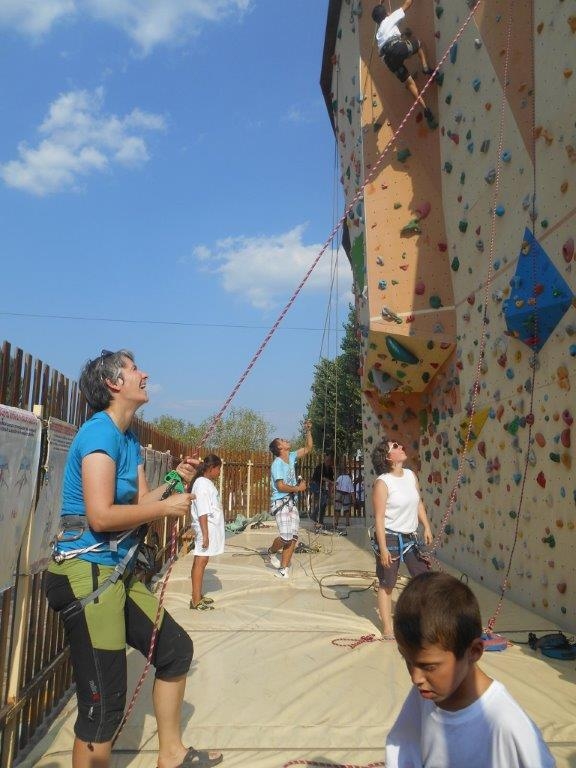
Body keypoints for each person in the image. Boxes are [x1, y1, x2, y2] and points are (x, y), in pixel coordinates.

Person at [45, 349, 222, 768]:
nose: (145, 373)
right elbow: (101, 515)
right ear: (113, 384)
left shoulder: (127, 440)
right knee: (104, 708)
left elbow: (142, 501)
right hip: (86, 574)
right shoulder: (99, 434)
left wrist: (178, 479)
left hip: (113, 574)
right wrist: (163, 509)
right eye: (134, 369)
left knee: (175, 650)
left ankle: (172, 755)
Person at [386, 571, 556, 767]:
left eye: (429, 666)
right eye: (407, 660)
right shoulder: (427, 693)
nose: (415, 678)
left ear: (474, 651)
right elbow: (405, 748)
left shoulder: (506, 725)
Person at [371, 437, 433, 639]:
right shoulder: (383, 483)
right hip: (389, 538)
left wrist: (426, 526)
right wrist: (383, 549)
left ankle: (425, 619)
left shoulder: (410, 475)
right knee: (387, 583)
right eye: (395, 446)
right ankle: (388, 626)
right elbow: (379, 518)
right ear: (388, 457)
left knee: (423, 579)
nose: (400, 446)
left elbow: (418, 503)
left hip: (410, 538)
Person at [372, 0, 436, 127]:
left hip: (388, 61)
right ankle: (425, 67)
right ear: (386, 14)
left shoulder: (379, 34)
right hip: (396, 48)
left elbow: (393, 38)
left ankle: (426, 109)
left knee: (409, 83)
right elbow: (407, 4)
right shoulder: (389, 19)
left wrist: (404, 35)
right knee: (419, 44)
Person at [267, 421, 313, 578]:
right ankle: (271, 551)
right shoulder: (277, 464)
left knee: (293, 537)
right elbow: (280, 486)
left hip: (291, 502)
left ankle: (283, 569)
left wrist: (308, 431)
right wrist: (298, 488)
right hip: (281, 502)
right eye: (282, 440)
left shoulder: (291, 457)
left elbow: (308, 448)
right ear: (280, 448)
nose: (286, 440)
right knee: (285, 537)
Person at [189, 454, 225, 611]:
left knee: (201, 560)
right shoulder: (202, 484)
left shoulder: (205, 482)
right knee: (201, 561)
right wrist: (205, 535)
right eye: (218, 469)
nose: (219, 472)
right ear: (211, 468)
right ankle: (196, 600)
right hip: (206, 527)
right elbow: (202, 511)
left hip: (209, 527)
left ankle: (197, 595)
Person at [309, 451, 334, 531]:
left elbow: (331, 480)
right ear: (325, 458)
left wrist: (330, 491)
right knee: (322, 500)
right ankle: (314, 515)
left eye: (330, 459)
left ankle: (320, 521)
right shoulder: (320, 467)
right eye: (327, 458)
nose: (328, 460)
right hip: (315, 485)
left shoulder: (330, 469)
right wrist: (331, 482)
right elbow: (322, 478)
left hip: (323, 487)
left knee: (324, 503)